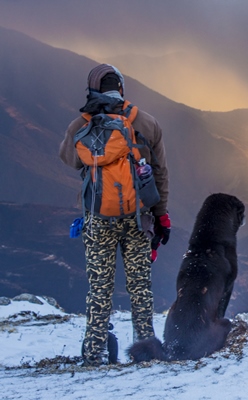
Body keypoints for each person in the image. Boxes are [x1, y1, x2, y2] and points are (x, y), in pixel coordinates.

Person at [59, 64, 170, 366]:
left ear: (92, 89)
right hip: (138, 218)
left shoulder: (81, 125)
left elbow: (69, 159)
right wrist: (162, 217)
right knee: (140, 287)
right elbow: (159, 174)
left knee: (99, 288)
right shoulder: (145, 123)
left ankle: (93, 353)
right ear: (121, 87)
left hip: (98, 219)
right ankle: (146, 350)